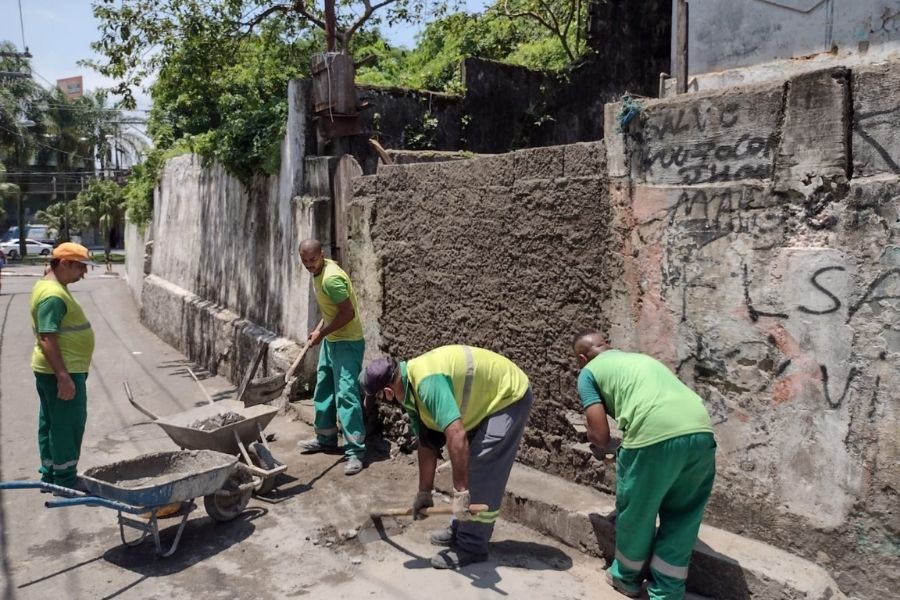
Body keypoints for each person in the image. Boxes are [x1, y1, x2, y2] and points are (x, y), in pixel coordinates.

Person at [572, 329, 716, 599]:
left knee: (638, 511)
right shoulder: (640, 360)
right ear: (607, 346)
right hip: (701, 431)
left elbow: (601, 435)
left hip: (653, 434)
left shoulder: (588, 373)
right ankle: (668, 591)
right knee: (683, 515)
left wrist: (594, 440)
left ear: (582, 357)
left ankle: (626, 578)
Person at [360, 345, 533, 569]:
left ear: (389, 392)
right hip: (484, 401)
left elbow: (456, 434)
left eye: (380, 398)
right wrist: (424, 491)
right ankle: (461, 527)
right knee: (466, 464)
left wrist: (461, 493)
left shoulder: (426, 384)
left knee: (481, 468)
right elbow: (427, 442)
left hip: (508, 397)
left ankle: (472, 545)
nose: (383, 402)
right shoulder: (410, 388)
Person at [296, 239, 366, 476]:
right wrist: (323, 333)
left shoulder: (331, 279)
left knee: (346, 394)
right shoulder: (320, 272)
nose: (309, 265)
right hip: (332, 340)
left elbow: (348, 313)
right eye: (305, 261)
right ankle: (325, 439)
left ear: (322, 255)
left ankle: (355, 451)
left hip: (347, 342)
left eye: (313, 260)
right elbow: (333, 310)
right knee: (324, 388)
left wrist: (322, 333)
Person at [30, 242, 97, 490]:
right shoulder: (53, 295)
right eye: (80, 267)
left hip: (56, 369)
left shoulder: (52, 286)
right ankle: (66, 480)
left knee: (51, 421)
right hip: (63, 370)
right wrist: (63, 376)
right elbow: (47, 337)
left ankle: (51, 475)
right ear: (64, 263)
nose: (84, 273)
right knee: (67, 424)